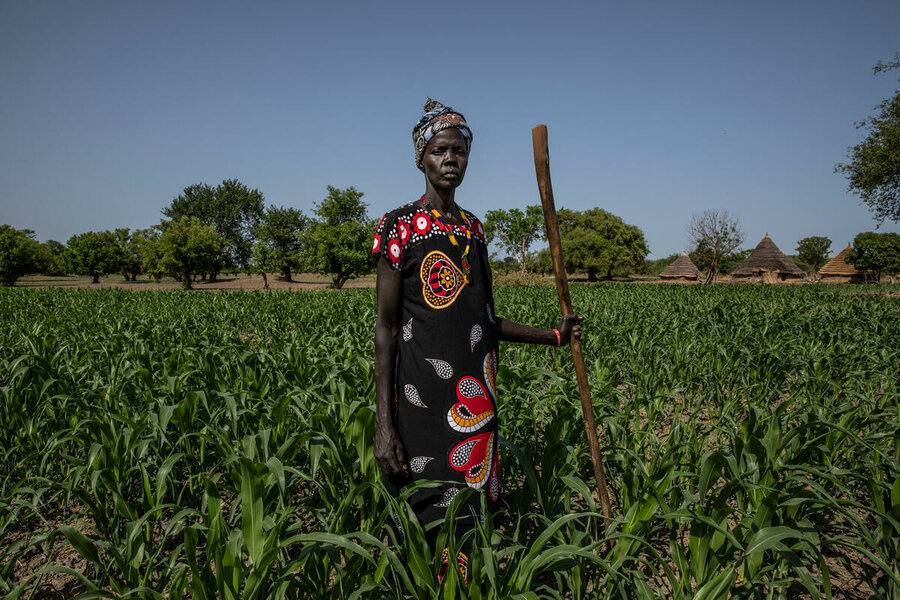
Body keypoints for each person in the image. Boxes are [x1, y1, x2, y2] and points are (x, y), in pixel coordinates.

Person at [373, 99, 581, 583]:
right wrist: (385, 425)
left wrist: (552, 335)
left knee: (470, 520)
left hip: (475, 404)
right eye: (440, 150)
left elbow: (483, 321)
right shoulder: (398, 227)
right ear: (421, 157)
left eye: (460, 151)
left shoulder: (474, 231)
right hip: (420, 404)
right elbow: (384, 330)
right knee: (422, 517)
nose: (451, 159)